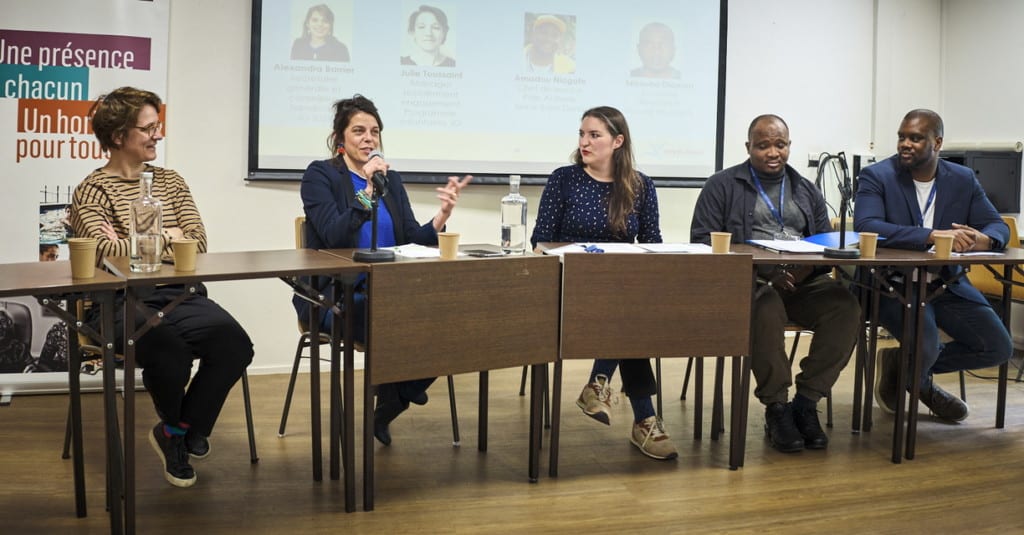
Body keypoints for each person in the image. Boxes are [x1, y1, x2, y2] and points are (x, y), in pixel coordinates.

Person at [70, 87, 254, 488]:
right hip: (118, 299)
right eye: (149, 128)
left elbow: (198, 242)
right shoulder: (91, 190)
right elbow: (104, 255)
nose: (158, 135)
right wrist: (166, 233)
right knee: (166, 345)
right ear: (119, 136)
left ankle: (178, 429)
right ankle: (180, 434)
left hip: (179, 292)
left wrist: (133, 238)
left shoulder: (170, 182)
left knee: (234, 345)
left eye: (159, 126)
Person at [294, 94, 472, 446]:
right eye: (358, 130)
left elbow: (411, 241)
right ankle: (398, 388)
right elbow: (333, 234)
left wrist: (441, 216)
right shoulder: (321, 175)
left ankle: (391, 400)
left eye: (374, 131)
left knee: (451, 322)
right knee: (395, 322)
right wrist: (367, 192)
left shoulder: (392, 181)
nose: (369, 138)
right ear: (339, 139)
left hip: (390, 294)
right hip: (332, 295)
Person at [690, 114, 860, 453]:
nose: (772, 152)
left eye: (779, 144)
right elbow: (701, 241)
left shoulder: (806, 190)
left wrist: (801, 271)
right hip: (750, 283)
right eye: (763, 145)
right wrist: (765, 272)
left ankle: (807, 402)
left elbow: (823, 241)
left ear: (789, 146)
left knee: (845, 307)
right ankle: (777, 407)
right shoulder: (722, 185)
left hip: (802, 281)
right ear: (748, 147)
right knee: (764, 308)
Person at [531, 106, 676, 460]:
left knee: (627, 309)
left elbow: (652, 245)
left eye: (594, 135)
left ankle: (599, 386)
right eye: (582, 134)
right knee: (628, 315)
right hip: (571, 286)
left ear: (618, 141)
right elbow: (541, 241)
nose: (584, 142)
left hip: (620, 289)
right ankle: (642, 418)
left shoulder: (641, 187)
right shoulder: (563, 179)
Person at [854, 109, 1013, 422]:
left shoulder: (962, 179)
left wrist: (986, 240)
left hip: (946, 285)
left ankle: (903, 367)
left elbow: (997, 224)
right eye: (902, 137)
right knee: (926, 345)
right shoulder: (878, 176)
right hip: (891, 284)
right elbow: (867, 225)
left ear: (937, 142)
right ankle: (921, 379)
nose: (905, 144)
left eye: (915, 138)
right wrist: (931, 235)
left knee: (997, 347)